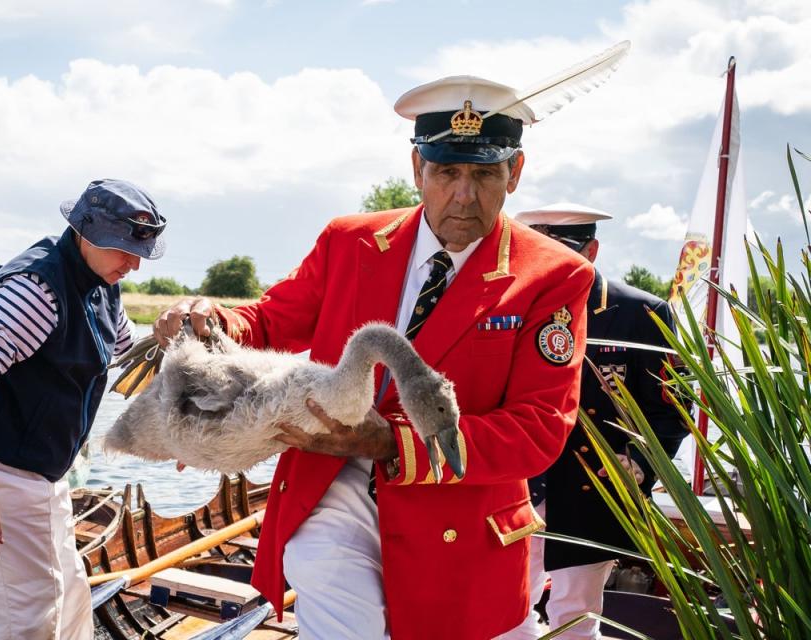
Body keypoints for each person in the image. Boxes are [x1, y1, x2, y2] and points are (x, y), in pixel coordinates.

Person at [153, 75, 600, 640]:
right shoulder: (349, 241)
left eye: (485, 174)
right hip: (330, 483)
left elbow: (538, 431)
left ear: (515, 172)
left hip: (460, 526)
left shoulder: (555, 275)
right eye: (446, 173)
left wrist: (394, 444)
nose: (464, 195)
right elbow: (268, 320)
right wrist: (213, 323)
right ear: (417, 170)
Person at [0, 179, 167, 640]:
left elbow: (125, 357)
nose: (134, 263)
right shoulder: (35, 292)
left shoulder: (101, 282)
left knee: (71, 598)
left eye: (139, 249)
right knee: (26, 618)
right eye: (123, 247)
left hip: (43, 471)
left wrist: (166, 343)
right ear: (84, 230)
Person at [500, 203, 689, 640]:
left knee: (576, 616)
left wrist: (638, 464)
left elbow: (672, 408)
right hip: (516, 485)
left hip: (592, 487)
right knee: (504, 613)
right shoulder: (508, 307)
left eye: (563, 252)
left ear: (592, 250)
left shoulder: (639, 314)